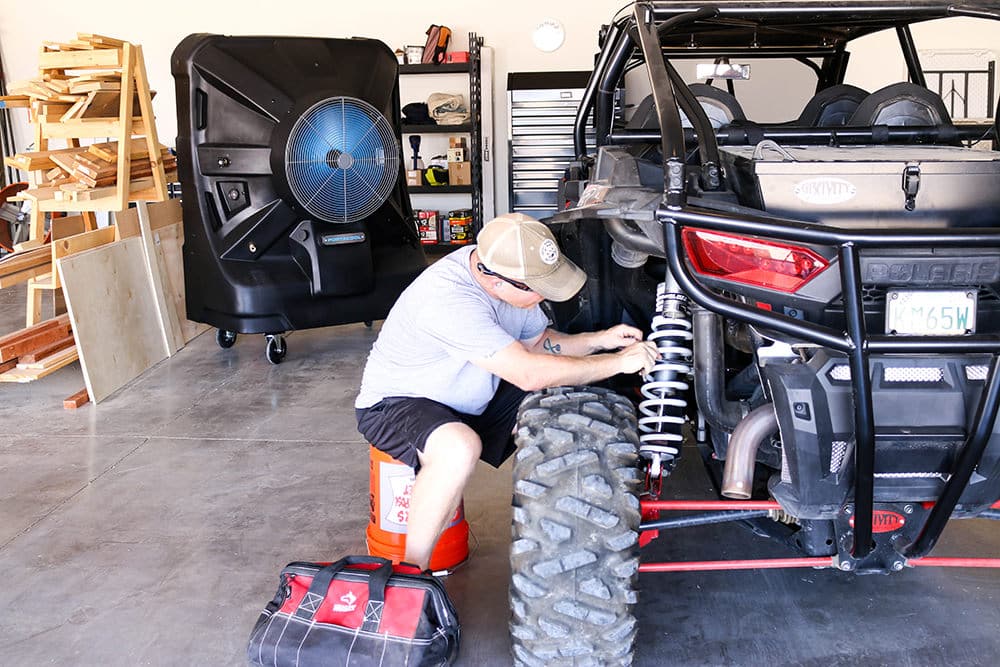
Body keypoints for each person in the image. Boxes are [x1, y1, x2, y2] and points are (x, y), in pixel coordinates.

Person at [355, 213, 659, 570]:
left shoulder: (511, 277)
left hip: (473, 387)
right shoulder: (449, 299)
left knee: (563, 402)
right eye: (535, 289)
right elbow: (529, 372)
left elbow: (540, 345)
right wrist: (617, 362)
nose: (542, 297)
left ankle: (566, 526)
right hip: (400, 402)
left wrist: (600, 341)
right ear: (492, 279)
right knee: (458, 447)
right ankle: (412, 571)